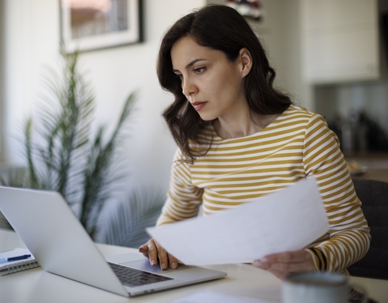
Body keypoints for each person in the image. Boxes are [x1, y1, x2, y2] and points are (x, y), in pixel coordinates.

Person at [139, 4, 370, 281]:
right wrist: (161, 245)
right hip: (229, 294)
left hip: (302, 293)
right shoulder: (194, 147)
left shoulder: (307, 134)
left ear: (243, 63)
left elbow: (355, 234)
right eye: (180, 76)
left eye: (198, 69)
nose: (187, 88)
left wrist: (314, 259)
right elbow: (171, 227)